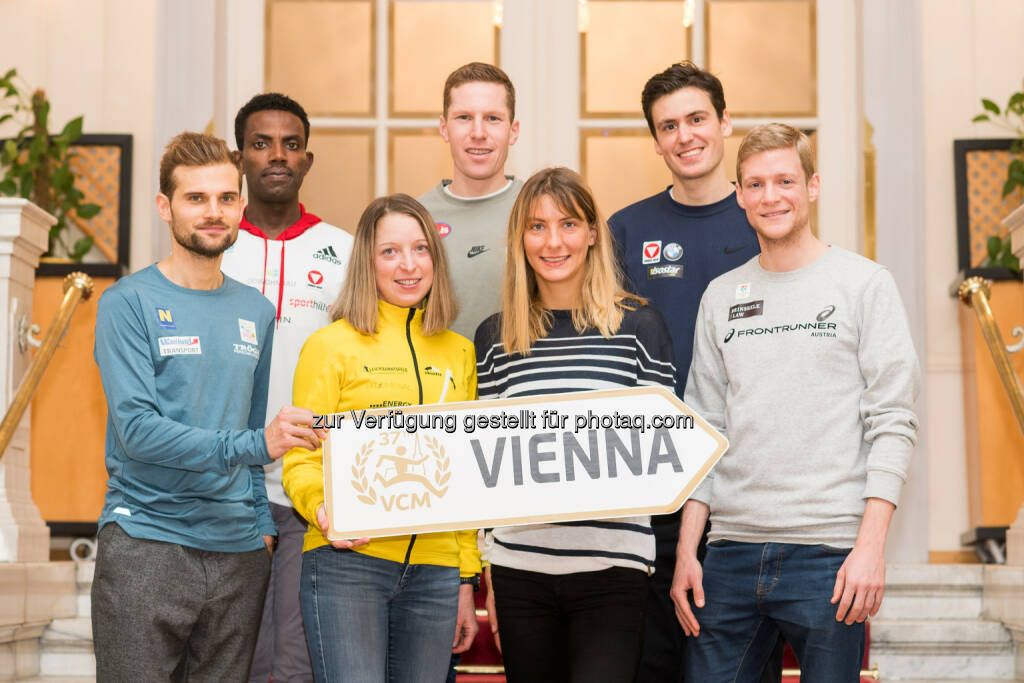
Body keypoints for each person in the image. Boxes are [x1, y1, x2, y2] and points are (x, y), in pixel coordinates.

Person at [671, 124, 920, 681]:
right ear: (739, 195)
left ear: (812, 186)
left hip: (829, 555)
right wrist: (689, 551)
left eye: (784, 180)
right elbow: (704, 428)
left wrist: (869, 547)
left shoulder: (864, 285)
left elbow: (894, 421)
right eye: (755, 184)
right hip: (729, 555)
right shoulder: (720, 295)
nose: (770, 196)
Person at [91, 132, 325, 682]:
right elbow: (138, 431)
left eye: (225, 197)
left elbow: (245, 420)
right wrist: (256, 445)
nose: (213, 212)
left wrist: (256, 525)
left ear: (242, 205)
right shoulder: (128, 302)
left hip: (239, 553)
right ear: (164, 207)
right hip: (146, 544)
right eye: (195, 198)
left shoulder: (257, 310)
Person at [474, 167, 676, 683]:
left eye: (568, 224)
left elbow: (665, 454)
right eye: (537, 226)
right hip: (521, 571)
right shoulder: (495, 337)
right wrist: (491, 575)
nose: (553, 241)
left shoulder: (639, 326)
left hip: (614, 569)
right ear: (520, 238)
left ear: (592, 233)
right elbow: (483, 468)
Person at [606, 61, 765, 683]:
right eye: (668, 126)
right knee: (653, 658)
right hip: (656, 481)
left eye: (697, 119)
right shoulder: (626, 229)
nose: (685, 136)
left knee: (727, 662)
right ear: (656, 140)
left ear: (724, 123)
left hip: (747, 482)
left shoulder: (764, 216)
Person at [282, 194, 482, 682]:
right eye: (390, 251)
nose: (408, 265)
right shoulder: (330, 345)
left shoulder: (459, 352)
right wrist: (323, 509)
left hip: (435, 572)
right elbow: (301, 459)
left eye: (420, 249)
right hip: (347, 562)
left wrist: (465, 579)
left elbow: (465, 477)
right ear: (367, 262)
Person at [221, 91, 353, 683]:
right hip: (225, 486)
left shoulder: (346, 251)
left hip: (312, 484)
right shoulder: (211, 245)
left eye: (291, 144)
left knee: (299, 664)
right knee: (236, 657)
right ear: (238, 156)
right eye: (261, 143)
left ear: (307, 160)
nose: (277, 155)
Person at [419, 61, 523, 340]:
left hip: (519, 380)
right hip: (436, 381)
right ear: (444, 128)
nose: (478, 132)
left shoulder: (538, 211)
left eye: (492, 118)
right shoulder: (416, 218)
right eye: (464, 117)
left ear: (513, 131)